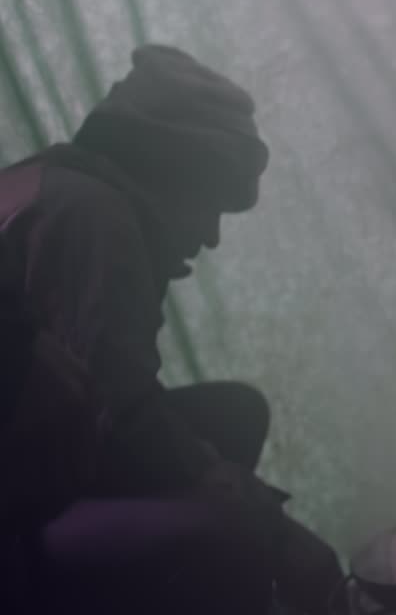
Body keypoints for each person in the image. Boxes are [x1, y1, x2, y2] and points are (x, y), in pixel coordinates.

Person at [0, 45, 345, 615]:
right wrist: (262, 519)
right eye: (208, 205)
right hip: (15, 523)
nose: (209, 236)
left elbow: (103, 395)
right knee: (229, 529)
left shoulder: (51, 182)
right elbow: (121, 418)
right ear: (169, 174)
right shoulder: (93, 216)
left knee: (232, 414)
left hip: (33, 448)